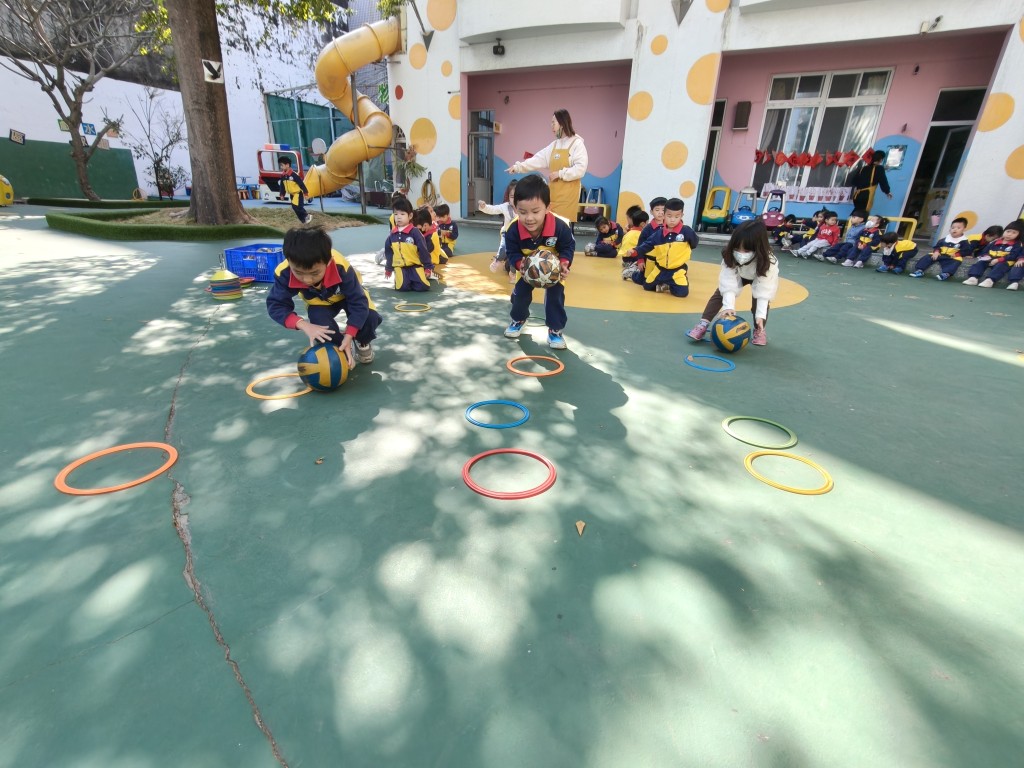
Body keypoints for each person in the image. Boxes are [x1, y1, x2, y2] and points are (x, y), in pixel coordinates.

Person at [266, 226, 381, 366]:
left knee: (369, 317)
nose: (307, 280)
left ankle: (362, 341)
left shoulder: (341, 266)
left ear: (328, 262)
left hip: (347, 296)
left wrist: (350, 333)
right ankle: (340, 348)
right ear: (288, 261)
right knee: (321, 328)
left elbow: (357, 301)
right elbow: (276, 305)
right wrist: (304, 325)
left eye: (315, 273)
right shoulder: (284, 272)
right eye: (299, 273)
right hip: (318, 302)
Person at [502, 174, 575, 349]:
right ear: (515, 208)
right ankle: (519, 319)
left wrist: (564, 263)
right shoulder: (513, 229)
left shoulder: (560, 227)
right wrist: (520, 265)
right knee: (520, 295)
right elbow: (511, 251)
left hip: (554, 271)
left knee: (555, 297)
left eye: (535, 212)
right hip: (526, 269)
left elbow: (568, 246)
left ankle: (555, 330)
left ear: (548, 208)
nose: (529, 218)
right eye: (523, 212)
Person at [686, 219, 778, 347]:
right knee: (720, 293)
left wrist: (760, 315)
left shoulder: (768, 262)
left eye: (746, 250)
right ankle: (703, 323)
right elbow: (727, 281)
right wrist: (728, 307)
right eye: (737, 248)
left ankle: (759, 329)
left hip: (758, 277)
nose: (741, 254)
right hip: (739, 273)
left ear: (758, 248)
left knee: (760, 301)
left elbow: (764, 290)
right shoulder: (729, 254)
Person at [506, 109, 589, 222]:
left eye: (553, 122)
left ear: (562, 123)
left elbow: (580, 169)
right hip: (552, 196)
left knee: (564, 227)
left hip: (568, 198)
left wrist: (559, 174)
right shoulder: (554, 145)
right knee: (551, 226)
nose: (551, 126)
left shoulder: (576, 143)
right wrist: (518, 167)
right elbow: (537, 159)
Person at [628, 198, 698, 296]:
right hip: (660, 269)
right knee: (646, 286)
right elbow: (646, 244)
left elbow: (694, 243)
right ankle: (633, 272)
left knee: (682, 293)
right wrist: (635, 251)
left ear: (681, 215)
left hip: (677, 270)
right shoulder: (659, 234)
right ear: (664, 215)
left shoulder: (687, 231)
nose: (672, 220)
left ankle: (669, 285)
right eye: (669, 216)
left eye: (677, 216)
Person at [384, 197, 433, 291]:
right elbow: (389, 253)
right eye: (396, 214)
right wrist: (388, 268)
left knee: (423, 287)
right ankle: (400, 278)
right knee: (402, 288)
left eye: (402, 214)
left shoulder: (415, 232)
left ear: (410, 216)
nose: (398, 217)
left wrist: (428, 267)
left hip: (415, 265)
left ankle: (414, 278)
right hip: (400, 267)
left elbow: (423, 249)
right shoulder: (392, 234)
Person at [962, 221, 1023, 288]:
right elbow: (985, 251)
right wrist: (986, 256)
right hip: (991, 259)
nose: (1009, 234)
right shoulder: (995, 241)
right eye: (1008, 231)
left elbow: (1013, 255)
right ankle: (973, 278)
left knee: (1000, 267)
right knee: (980, 263)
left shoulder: (1017, 244)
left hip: (1005, 261)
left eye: (1014, 233)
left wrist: (998, 260)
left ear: (1019, 235)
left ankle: (990, 280)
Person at [478, 181, 518, 275]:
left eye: (518, 196)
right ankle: (498, 260)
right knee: (504, 247)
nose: (515, 199)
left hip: (518, 236)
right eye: (512, 197)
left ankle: (513, 272)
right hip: (507, 233)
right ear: (508, 197)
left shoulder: (525, 207)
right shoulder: (505, 206)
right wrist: (484, 207)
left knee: (516, 254)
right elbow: (493, 209)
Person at [414, 206, 446, 283]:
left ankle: (429, 272)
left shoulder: (431, 235)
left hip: (430, 259)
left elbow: (425, 251)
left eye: (419, 228)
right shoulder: (428, 229)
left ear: (425, 225)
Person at [277, 156, 312, 224]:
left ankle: (307, 217)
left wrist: (306, 194)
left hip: (298, 194)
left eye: (282, 165)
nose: (281, 167)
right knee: (295, 208)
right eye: (280, 165)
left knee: (297, 207)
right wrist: (282, 194)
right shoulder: (283, 176)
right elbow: (282, 186)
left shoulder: (294, 175)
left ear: (287, 165)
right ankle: (303, 221)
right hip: (292, 195)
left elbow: (301, 184)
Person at [618, 207, 649, 280]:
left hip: (625, 257)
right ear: (643, 224)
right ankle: (632, 269)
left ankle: (629, 264)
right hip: (633, 256)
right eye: (647, 223)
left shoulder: (630, 231)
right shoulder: (641, 233)